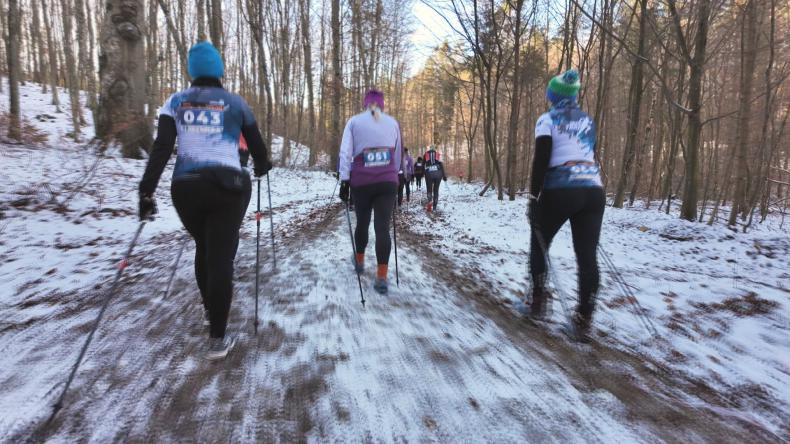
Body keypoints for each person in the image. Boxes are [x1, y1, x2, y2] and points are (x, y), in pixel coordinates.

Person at [139, 41, 272, 360]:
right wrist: (262, 166)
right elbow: (259, 151)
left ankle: (211, 308)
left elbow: (162, 147)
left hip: (186, 187)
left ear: (192, 71)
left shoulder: (175, 102)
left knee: (204, 247)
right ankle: (217, 337)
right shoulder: (235, 103)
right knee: (221, 257)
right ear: (219, 70)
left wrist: (146, 192)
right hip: (229, 186)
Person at [526, 69, 604, 343]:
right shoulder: (588, 120)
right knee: (587, 256)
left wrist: (534, 198)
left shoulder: (547, 120)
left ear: (553, 96)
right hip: (593, 191)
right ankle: (584, 318)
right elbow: (590, 153)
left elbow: (542, 159)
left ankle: (537, 303)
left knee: (539, 243)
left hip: (561, 188)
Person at [338, 89, 403, 295]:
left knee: (363, 222)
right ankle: (382, 277)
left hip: (361, 182)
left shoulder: (354, 122)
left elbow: (345, 152)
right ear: (382, 105)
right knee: (382, 228)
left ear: (366, 104)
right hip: (387, 182)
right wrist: (396, 174)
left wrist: (344, 179)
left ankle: (359, 261)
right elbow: (398, 152)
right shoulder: (392, 123)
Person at [423, 146, 447, 212]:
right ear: (435, 149)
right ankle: (434, 207)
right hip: (438, 173)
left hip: (429, 174)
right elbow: (441, 165)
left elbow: (423, 165)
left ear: (430, 149)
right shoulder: (438, 154)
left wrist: (423, 174)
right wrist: (444, 175)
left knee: (429, 189)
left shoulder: (426, 154)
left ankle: (430, 202)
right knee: (436, 190)